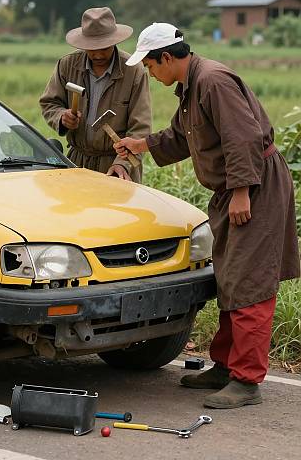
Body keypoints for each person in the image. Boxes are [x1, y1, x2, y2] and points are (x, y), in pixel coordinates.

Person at [116, 22, 300, 409]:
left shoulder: (213, 81)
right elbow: (184, 136)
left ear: (167, 57)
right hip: (238, 187)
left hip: (254, 187)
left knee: (250, 282)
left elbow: (242, 138)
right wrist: (142, 144)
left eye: (150, 65)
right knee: (229, 277)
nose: (150, 73)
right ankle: (226, 366)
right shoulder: (191, 88)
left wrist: (240, 192)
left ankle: (247, 381)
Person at [39, 7, 152, 182]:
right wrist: (62, 117)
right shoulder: (67, 65)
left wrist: (122, 164)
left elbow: (140, 127)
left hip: (117, 165)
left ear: (114, 42)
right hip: (78, 162)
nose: (98, 54)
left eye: (104, 47)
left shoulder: (133, 71)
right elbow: (49, 103)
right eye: (91, 48)